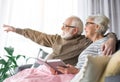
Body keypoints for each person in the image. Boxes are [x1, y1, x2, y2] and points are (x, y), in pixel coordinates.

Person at [3, 15, 113, 82]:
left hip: (58, 73)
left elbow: (103, 36)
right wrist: (16, 30)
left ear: (75, 30)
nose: (61, 28)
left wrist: (112, 38)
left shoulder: (85, 41)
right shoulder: (57, 39)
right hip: (43, 69)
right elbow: (38, 36)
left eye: (65, 26)